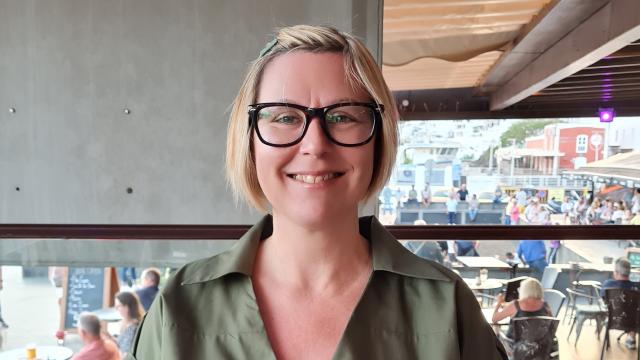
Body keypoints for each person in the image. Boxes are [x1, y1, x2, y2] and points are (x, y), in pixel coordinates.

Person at [128, 25, 506, 359]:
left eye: (343, 116)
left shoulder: (447, 308)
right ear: (249, 141)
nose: (315, 145)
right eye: (284, 117)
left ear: (378, 138)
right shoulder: (178, 308)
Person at [492, 278, 552, 354]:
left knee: (496, 329)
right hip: (538, 348)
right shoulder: (545, 306)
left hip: (514, 348)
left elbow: (494, 319)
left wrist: (499, 303)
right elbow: (550, 326)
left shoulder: (516, 305)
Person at [600, 257, 639, 349]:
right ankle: (631, 337)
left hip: (613, 320)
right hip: (634, 322)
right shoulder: (637, 287)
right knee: (635, 310)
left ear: (616, 272)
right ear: (629, 272)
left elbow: (603, 300)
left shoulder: (607, 285)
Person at [103, 292, 144, 357]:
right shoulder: (131, 324)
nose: (116, 309)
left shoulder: (132, 328)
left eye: (118, 306)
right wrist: (111, 339)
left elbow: (125, 355)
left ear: (127, 307)